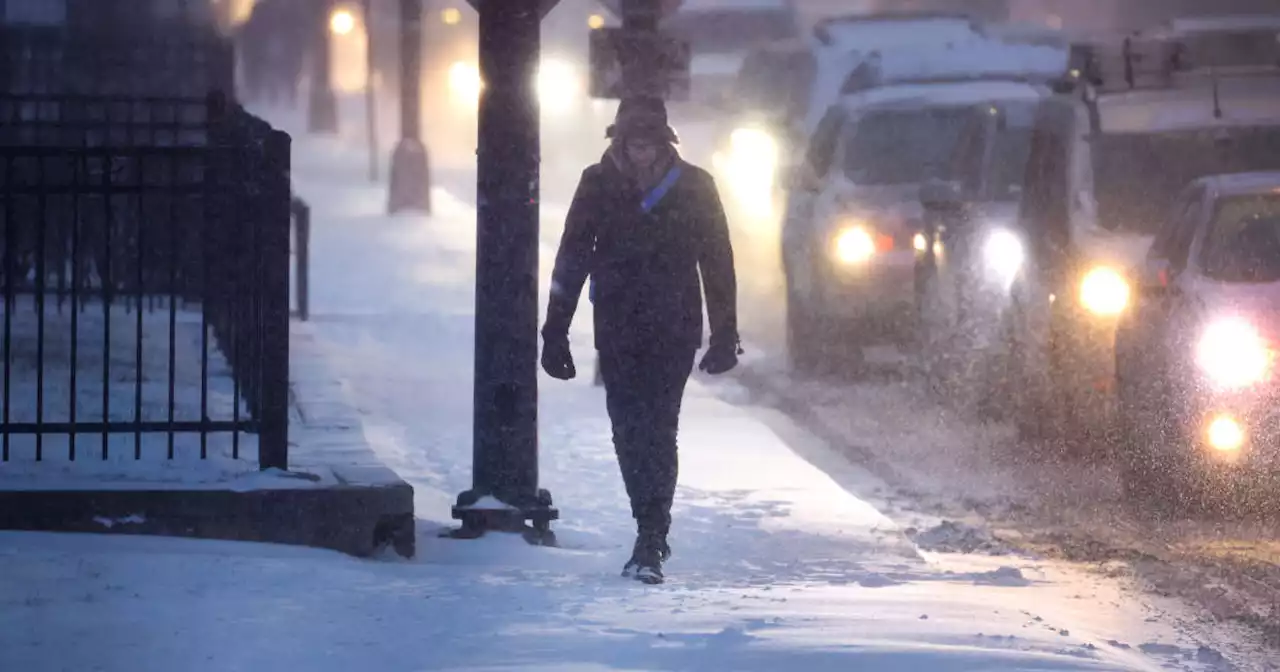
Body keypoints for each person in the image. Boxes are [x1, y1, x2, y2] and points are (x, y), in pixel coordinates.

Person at [540, 96, 741, 585]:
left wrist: (725, 333)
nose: (641, 153)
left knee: (658, 427)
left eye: (649, 143)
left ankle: (651, 535)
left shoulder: (695, 186)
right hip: (618, 323)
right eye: (633, 143)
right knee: (627, 429)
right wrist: (555, 330)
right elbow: (571, 257)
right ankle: (646, 523)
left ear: (664, 142)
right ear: (620, 142)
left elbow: (717, 262)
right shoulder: (597, 183)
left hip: (673, 326)